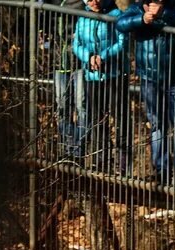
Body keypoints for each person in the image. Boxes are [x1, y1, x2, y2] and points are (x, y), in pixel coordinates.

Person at [116, 0, 175, 187]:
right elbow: (120, 23)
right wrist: (142, 19)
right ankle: (162, 171)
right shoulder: (137, 6)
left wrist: (164, 15)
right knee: (157, 124)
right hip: (149, 76)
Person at [73, 0, 130, 174]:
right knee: (97, 120)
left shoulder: (116, 15)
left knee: (120, 119)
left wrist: (103, 57)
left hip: (115, 75)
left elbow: (123, 42)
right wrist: (89, 57)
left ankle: (122, 165)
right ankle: (101, 161)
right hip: (92, 76)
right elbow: (77, 44)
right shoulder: (82, 18)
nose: (95, 1)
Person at [53, 1, 86, 161]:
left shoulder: (82, 3)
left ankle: (78, 151)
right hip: (59, 62)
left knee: (81, 106)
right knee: (62, 106)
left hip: (80, 62)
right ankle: (68, 149)